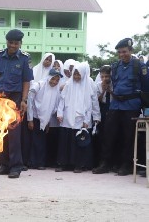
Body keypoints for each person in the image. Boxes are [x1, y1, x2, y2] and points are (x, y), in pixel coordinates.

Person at [93, 38, 148, 176]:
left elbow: (146, 88)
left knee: (128, 137)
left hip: (131, 105)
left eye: (124, 51)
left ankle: (126, 165)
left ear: (131, 51)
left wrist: (145, 108)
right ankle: (105, 163)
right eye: (119, 52)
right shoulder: (115, 66)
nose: (122, 54)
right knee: (109, 134)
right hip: (115, 104)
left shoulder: (139, 66)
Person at [0, 29, 34, 178]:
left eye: (16, 43)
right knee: (1, 132)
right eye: (11, 42)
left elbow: (26, 81)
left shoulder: (25, 58)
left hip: (14, 99)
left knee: (14, 134)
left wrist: (24, 100)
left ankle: (16, 166)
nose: (13, 45)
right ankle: (4, 164)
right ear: (6, 42)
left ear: (20, 43)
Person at [56, 62, 94, 173]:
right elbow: (62, 100)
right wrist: (60, 113)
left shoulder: (87, 86)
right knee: (65, 143)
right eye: (75, 74)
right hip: (67, 118)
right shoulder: (68, 84)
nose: (77, 77)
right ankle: (63, 164)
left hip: (80, 120)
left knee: (79, 143)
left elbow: (89, 105)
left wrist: (87, 120)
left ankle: (79, 165)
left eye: (79, 75)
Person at [27, 68, 62, 169]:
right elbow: (30, 101)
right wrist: (30, 119)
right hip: (34, 117)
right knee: (33, 141)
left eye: (57, 80)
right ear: (49, 77)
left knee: (41, 141)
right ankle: (32, 162)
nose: (54, 82)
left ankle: (40, 163)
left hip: (45, 120)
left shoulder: (56, 91)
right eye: (53, 79)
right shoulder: (39, 85)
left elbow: (53, 108)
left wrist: (48, 122)